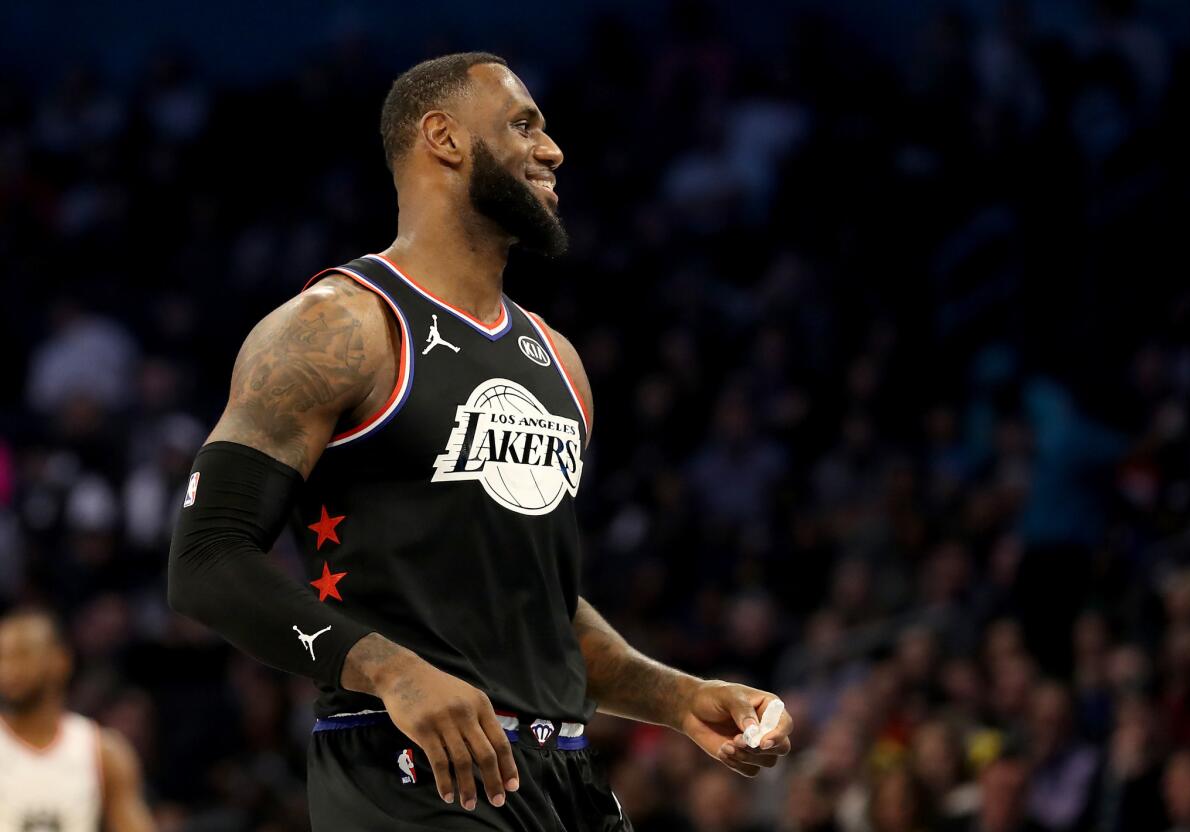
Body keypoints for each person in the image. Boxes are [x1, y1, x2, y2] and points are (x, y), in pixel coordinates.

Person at [167, 51, 794, 831]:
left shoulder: (559, 361)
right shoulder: (339, 326)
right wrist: (389, 669)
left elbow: (539, 609)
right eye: (524, 124)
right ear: (444, 138)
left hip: (563, 777)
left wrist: (676, 696)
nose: (553, 149)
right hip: (410, 769)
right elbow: (205, 560)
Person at [0, 607, 155, 832]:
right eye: (2, 656)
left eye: (22, 654)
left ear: (60, 661)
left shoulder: (102, 751)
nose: (8, 668)